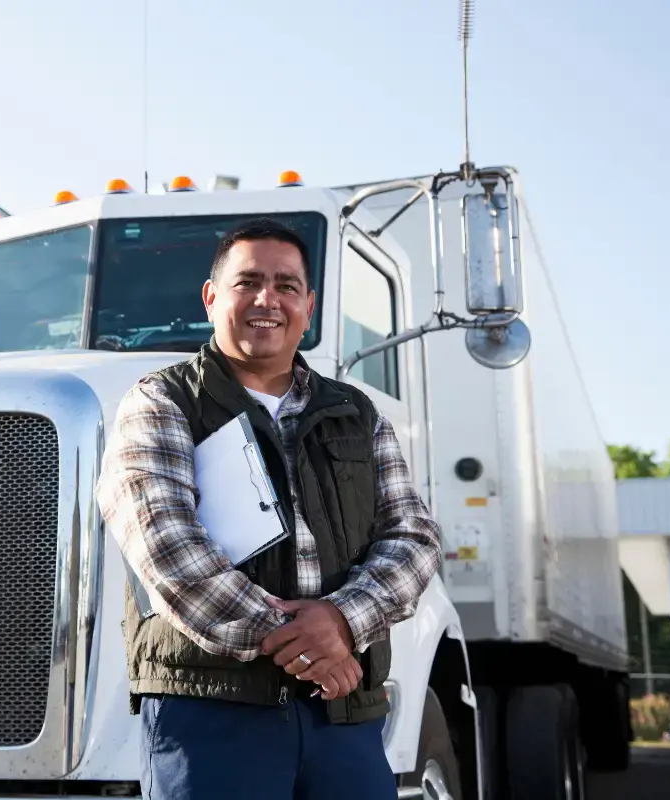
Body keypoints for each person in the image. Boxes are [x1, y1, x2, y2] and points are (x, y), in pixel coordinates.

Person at [95, 217, 442, 799]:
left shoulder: (358, 414)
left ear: (308, 305)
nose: (267, 300)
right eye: (247, 282)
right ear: (211, 298)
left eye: (285, 286)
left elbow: (414, 538)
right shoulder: (162, 401)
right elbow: (165, 547)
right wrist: (306, 645)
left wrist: (339, 622)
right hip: (212, 712)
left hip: (343, 713)